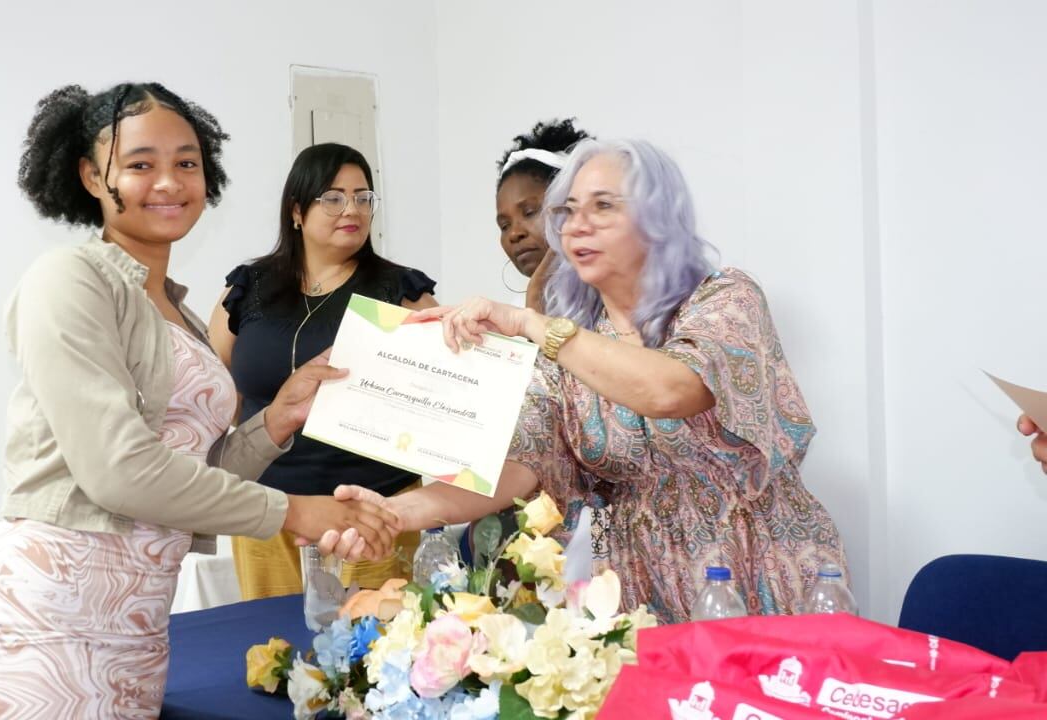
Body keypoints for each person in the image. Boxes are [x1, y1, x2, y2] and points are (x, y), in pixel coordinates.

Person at [0, 83, 395, 718]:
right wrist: (295, 511)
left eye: (187, 162)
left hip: (138, 631)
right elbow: (120, 473)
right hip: (41, 620)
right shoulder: (67, 280)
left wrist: (277, 420)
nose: (170, 182)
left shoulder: (176, 310)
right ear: (93, 176)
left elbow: (189, 480)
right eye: (140, 163)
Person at [329, 139, 849, 624]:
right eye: (568, 211)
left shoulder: (725, 300)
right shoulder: (569, 346)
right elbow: (510, 469)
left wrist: (533, 324)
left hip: (746, 574)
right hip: (623, 582)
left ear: (657, 219)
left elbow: (672, 388)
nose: (576, 226)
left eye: (603, 206)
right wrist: (392, 513)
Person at [208, 143, 437, 600]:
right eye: (332, 197)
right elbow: (216, 391)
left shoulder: (401, 291)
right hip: (269, 507)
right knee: (272, 651)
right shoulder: (247, 289)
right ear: (297, 211)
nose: (350, 208)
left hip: (371, 508)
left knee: (371, 654)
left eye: (362, 197)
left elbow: (438, 395)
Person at [496, 119, 592, 312]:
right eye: (504, 225)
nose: (514, 234)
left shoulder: (620, 303)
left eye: (530, 212)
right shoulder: (513, 317)